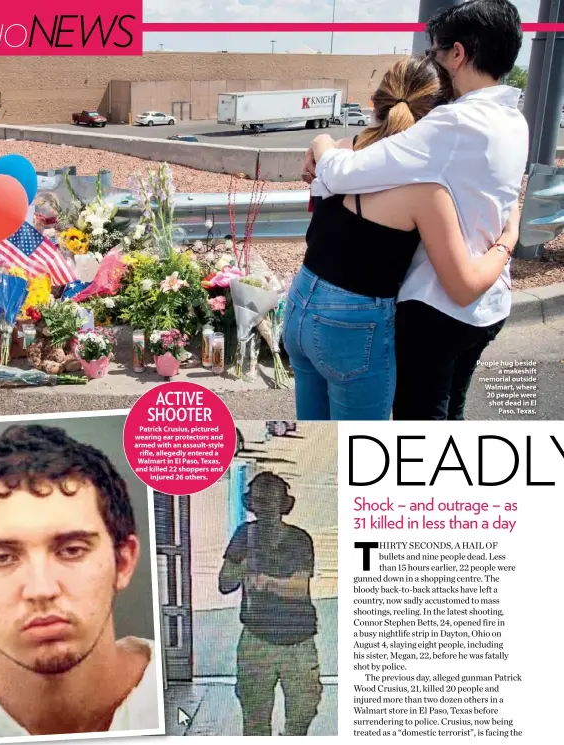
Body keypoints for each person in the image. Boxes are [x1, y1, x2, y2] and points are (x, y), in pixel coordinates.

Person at [303, 0, 528, 420]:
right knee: (450, 414)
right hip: (490, 306)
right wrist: (507, 237)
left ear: (457, 54)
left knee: (417, 430)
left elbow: (344, 174)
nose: (434, 62)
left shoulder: (452, 126)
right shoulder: (515, 120)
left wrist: (321, 145)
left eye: (435, 53)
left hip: (437, 309)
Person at [0, 424, 160, 738]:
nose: (41, 589)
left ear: (123, 562)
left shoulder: (182, 698)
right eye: (1, 557)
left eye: (72, 550)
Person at [218, 471, 321, 736]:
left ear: (282, 505)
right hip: (257, 640)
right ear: (252, 505)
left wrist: (265, 581)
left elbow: (299, 589)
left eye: (270, 502)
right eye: (260, 501)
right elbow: (225, 583)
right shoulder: (244, 536)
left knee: (302, 715)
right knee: (255, 722)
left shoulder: (299, 539)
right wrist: (241, 567)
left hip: (298, 644)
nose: (265, 508)